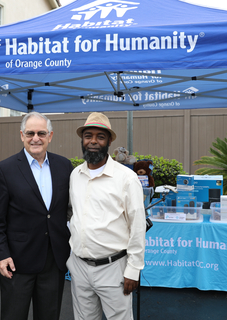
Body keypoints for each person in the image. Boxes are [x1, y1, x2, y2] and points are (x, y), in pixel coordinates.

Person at [0, 112, 73, 320]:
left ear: (50, 136)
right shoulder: (5, 169)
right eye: (30, 133)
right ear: (22, 135)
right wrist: (1, 255)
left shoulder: (64, 166)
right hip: (17, 262)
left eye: (41, 133)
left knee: (49, 316)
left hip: (54, 260)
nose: (36, 138)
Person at [67, 112, 146, 320]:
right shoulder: (75, 175)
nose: (93, 141)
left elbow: (137, 226)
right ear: (82, 140)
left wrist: (134, 269)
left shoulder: (126, 178)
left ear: (109, 141)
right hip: (79, 267)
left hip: (113, 269)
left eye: (100, 137)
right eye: (88, 136)